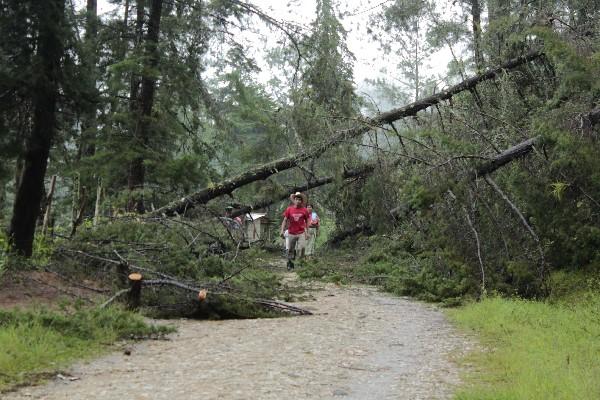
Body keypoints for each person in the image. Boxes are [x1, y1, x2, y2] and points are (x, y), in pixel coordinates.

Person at [280, 192, 309, 270]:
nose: (298, 201)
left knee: (302, 247)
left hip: (301, 232)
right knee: (290, 249)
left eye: (300, 199)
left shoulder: (304, 210)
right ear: (294, 200)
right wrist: (282, 230)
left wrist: (307, 232)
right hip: (291, 233)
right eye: (296, 199)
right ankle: (290, 263)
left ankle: (301, 262)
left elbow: (307, 221)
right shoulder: (289, 209)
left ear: (301, 201)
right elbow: (285, 220)